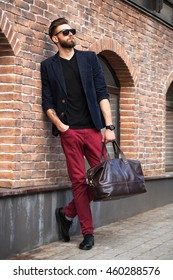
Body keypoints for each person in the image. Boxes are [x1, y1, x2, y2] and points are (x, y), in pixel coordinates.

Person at [41, 17, 116, 250]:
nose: (71, 34)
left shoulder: (89, 59)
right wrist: (60, 126)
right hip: (69, 132)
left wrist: (109, 127)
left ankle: (67, 213)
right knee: (79, 182)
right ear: (55, 38)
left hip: (93, 129)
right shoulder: (48, 66)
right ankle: (88, 233)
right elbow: (47, 101)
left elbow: (102, 92)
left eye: (72, 31)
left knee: (101, 179)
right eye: (65, 32)